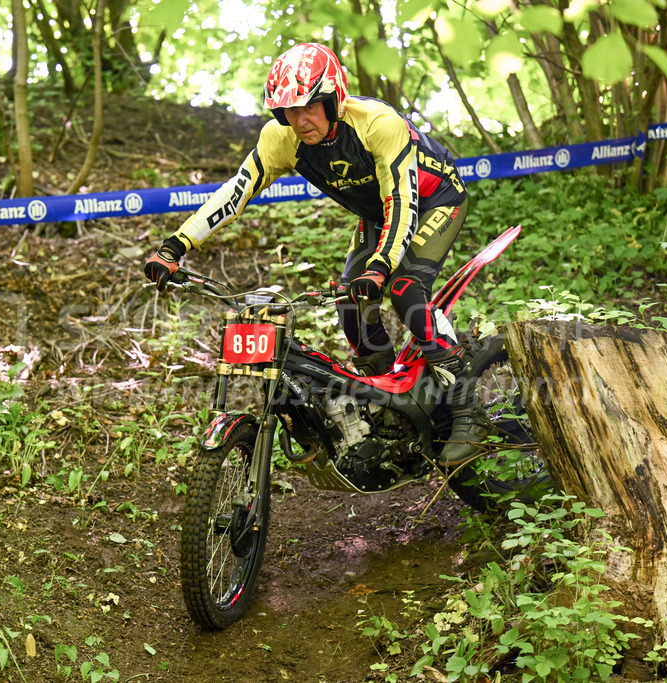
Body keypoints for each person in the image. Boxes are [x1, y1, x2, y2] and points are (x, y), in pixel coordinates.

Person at [144, 42, 484, 464]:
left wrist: (379, 267)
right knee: (350, 305)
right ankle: (392, 408)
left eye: (310, 107)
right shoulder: (282, 138)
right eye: (288, 110)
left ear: (333, 99)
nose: (300, 120)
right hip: (381, 213)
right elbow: (235, 192)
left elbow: (402, 201)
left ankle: (468, 406)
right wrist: (175, 246)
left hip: (435, 200)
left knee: (404, 289)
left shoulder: (378, 122)